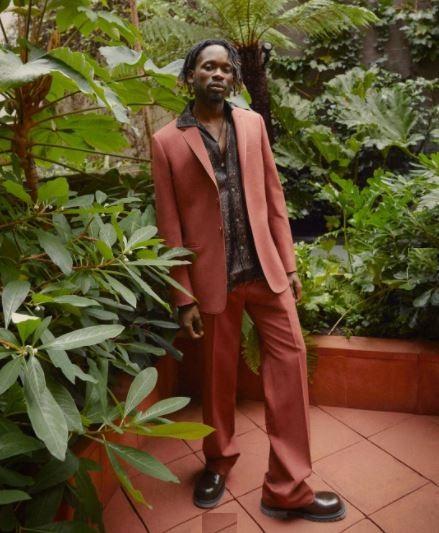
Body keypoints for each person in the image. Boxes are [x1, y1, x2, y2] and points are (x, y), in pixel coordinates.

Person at [152, 38, 346, 523]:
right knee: (218, 379)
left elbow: (273, 197)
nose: (217, 74)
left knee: (291, 363)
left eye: (225, 68)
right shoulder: (167, 142)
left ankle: (288, 487)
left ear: (234, 77)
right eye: (207, 67)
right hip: (213, 280)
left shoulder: (253, 124)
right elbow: (168, 225)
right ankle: (218, 462)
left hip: (264, 270)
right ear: (190, 76)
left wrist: (290, 266)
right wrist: (183, 296)